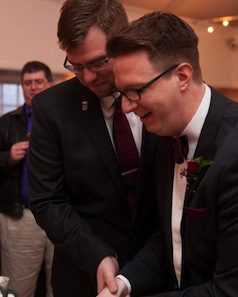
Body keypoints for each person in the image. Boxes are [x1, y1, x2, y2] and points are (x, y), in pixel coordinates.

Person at [97, 11, 238, 297]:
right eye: (122, 94)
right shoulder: (165, 134)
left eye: (135, 91)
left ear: (182, 76)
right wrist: (123, 285)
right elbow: (173, 238)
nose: (127, 107)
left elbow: (236, 291)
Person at [27, 1, 159, 296]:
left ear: (123, 40)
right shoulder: (52, 108)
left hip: (161, 270)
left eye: (99, 62)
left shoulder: (158, 90)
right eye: (76, 65)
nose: (87, 77)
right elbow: (47, 201)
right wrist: (96, 254)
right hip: (85, 271)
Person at [0, 61, 54, 297]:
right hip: (20, 217)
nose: (33, 87)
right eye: (27, 83)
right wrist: (7, 156)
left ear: (49, 84)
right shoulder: (6, 123)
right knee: (19, 289)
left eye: (38, 82)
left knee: (62, 286)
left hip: (61, 217)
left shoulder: (66, 120)